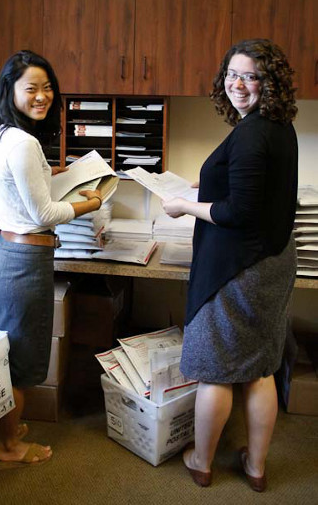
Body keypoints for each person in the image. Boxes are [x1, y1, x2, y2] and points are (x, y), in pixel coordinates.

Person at [162, 39, 298, 492]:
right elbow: (255, 188)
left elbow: (237, 212)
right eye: (232, 75)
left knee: (216, 371)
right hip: (274, 263)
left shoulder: (253, 133)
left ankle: (202, 462)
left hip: (238, 269)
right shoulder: (279, 126)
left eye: (251, 76)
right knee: (260, 368)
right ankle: (256, 468)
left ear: (269, 82)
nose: (239, 84)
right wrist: (206, 182)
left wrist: (185, 206)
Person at [0, 50, 103, 470]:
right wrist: (93, 202)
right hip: (24, 262)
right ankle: (6, 448)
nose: (42, 96)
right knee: (22, 363)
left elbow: (29, 197)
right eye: (31, 88)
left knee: (11, 354)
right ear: (10, 91)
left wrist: (58, 178)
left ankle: (6, 430)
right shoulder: (24, 141)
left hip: (8, 255)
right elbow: (44, 215)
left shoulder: (1, 134)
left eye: (47, 87)